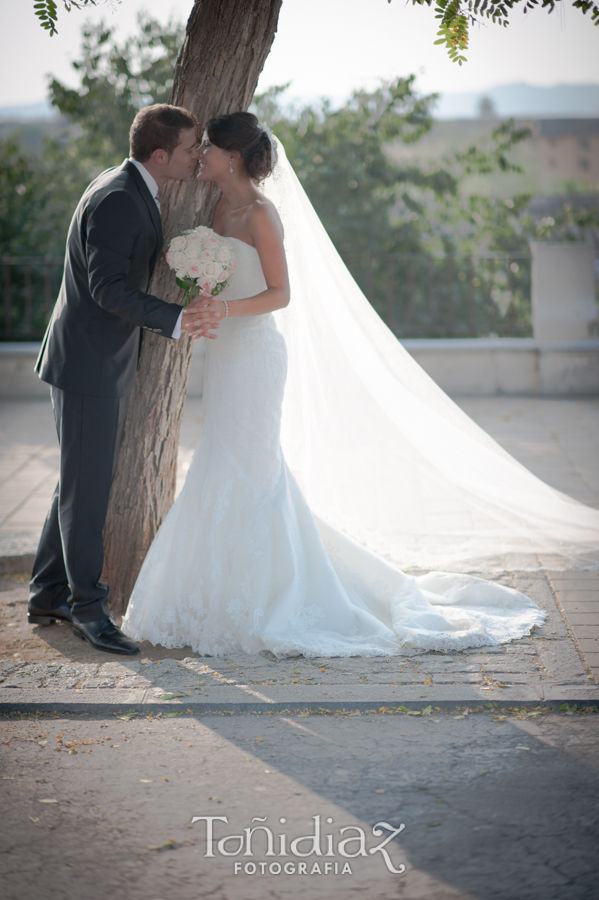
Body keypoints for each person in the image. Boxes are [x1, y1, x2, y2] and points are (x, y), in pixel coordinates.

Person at [123, 111, 598, 658]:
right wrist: (202, 299)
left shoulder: (260, 214)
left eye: (206, 148)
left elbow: (281, 293)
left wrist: (224, 306)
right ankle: (214, 594)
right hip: (225, 356)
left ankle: (270, 597)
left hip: (255, 355)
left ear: (232, 157)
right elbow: (219, 277)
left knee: (251, 469)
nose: (199, 155)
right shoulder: (215, 207)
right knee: (220, 462)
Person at [28, 104, 211, 655]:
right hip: (88, 363)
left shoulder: (125, 184)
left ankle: (47, 593)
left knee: (76, 483)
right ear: (161, 155)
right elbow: (106, 289)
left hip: (89, 359)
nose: (196, 155)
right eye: (188, 149)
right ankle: (88, 609)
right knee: (89, 490)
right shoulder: (118, 198)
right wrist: (176, 318)